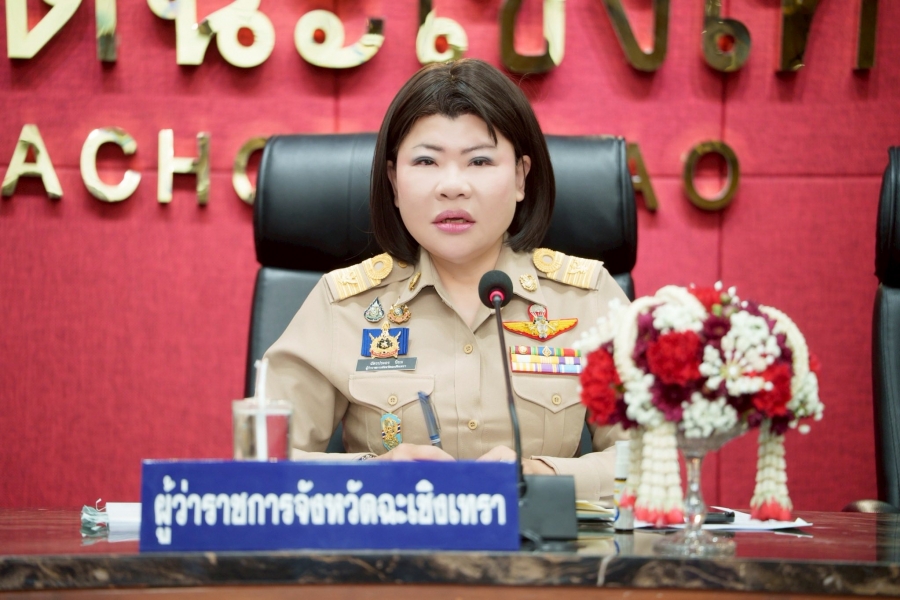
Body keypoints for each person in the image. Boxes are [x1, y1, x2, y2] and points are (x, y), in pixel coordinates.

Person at [263, 58, 629, 500]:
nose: (452, 186)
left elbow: (650, 462)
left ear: (520, 177)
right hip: (392, 542)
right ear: (394, 182)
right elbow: (266, 461)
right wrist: (376, 475)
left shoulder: (587, 299)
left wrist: (542, 478)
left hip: (540, 543)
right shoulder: (344, 305)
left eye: (479, 160)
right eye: (426, 161)